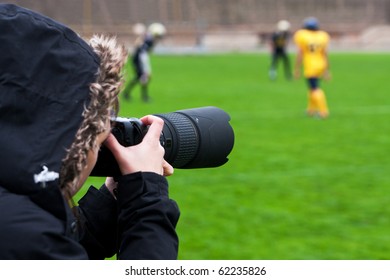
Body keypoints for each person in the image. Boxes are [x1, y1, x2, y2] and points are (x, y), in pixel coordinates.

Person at [0, 4, 180, 260]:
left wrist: (112, 199)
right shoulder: (26, 240)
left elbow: (56, 251)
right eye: (95, 141)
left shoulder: (17, 225)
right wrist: (147, 203)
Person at [293, 17, 331, 119]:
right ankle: (311, 110)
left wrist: (297, 68)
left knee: (315, 88)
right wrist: (327, 69)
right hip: (320, 64)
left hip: (310, 64)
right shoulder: (322, 36)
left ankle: (323, 111)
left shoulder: (302, 35)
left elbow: (300, 53)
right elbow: (325, 53)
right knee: (311, 88)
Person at [122, 22, 166, 102]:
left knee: (139, 77)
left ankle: (127, 94)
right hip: (138, 59)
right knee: (143, 76)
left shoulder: (148, 38)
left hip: (137, 58)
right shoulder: (149, 40)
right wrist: (147, 69)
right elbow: (143, 55)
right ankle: (144, 97)